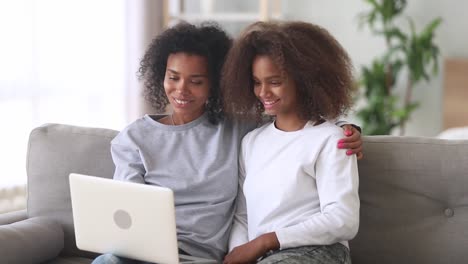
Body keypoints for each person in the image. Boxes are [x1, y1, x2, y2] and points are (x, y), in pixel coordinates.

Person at [92, 21, 362, 264]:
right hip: (146, 256)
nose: (181, 90)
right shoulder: (134, 139)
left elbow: (296, 129)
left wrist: (345, 130)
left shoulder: (237, 131)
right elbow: (126, 219)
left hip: (240, 256)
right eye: (173, 77)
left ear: (216, 84)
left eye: (196, 81)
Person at [222, 21, 360, 264]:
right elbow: (243, 216)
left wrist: (265, 241)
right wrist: (239, 252)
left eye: (274, 82)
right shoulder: (251, 142)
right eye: (257, 82)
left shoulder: (331, 139)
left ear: (304, 81)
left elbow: (343, 219)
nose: (263, 92)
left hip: (319, 252)